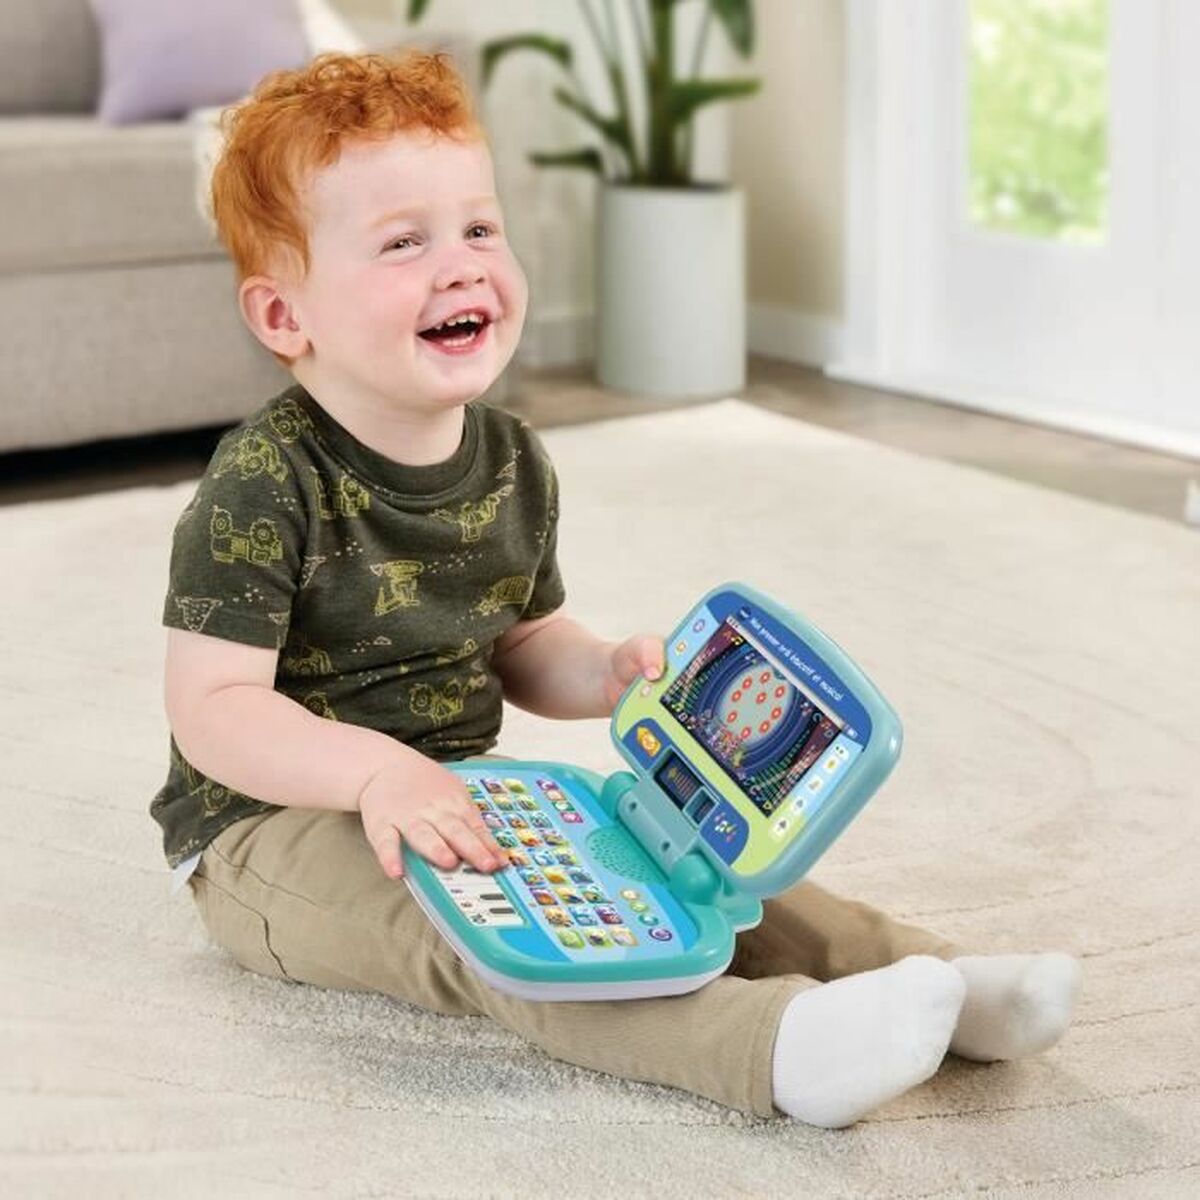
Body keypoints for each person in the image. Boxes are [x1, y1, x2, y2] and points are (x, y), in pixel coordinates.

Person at [153, 51, 1081, 1128]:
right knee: (513, 946)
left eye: (479, 228)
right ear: (284, 316)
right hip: (268, 832)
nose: (461, 267)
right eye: (404, 242)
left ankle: (930, 975)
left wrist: (600, 671)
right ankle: (768, 1047)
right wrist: (375, 774)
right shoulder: (262, 481)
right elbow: (213, 710)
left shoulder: (511, 458)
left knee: (677, 866)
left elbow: (520, 640)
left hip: (458, 789)